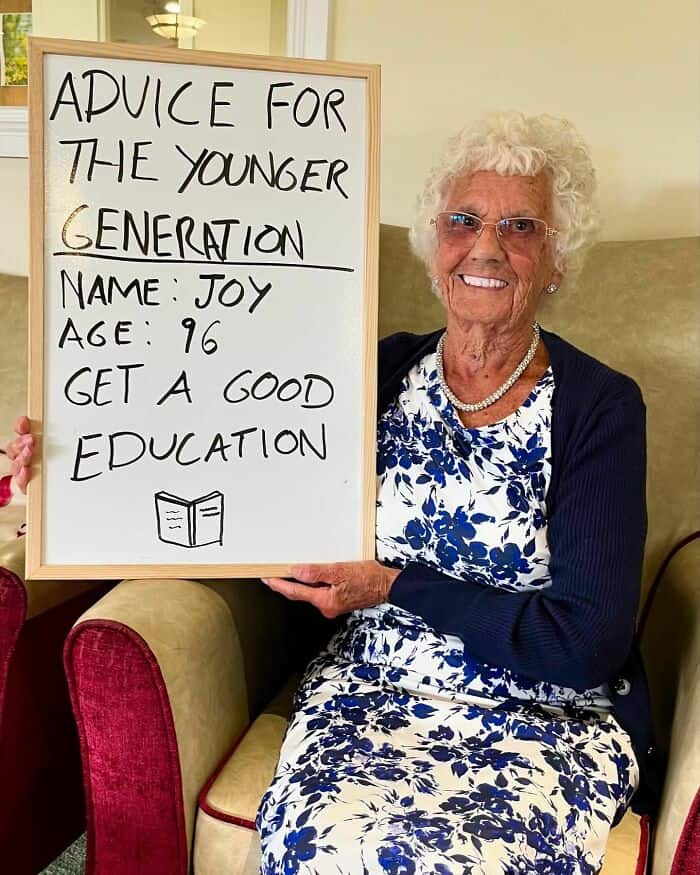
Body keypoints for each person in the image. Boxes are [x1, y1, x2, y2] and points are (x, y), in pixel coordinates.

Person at [7, 112, 657, 873]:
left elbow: (584, 643)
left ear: (555, 260)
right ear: (434, 245)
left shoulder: (601, 407)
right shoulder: (366, 376)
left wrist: (393, 586)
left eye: (521, 226)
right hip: (369, 690)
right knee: (329, 848)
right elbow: (221, 464)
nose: (486, 246)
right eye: (463, 220)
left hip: (546, 716)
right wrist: (71, 468)